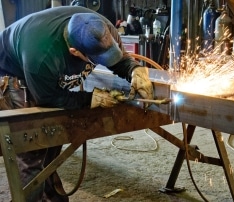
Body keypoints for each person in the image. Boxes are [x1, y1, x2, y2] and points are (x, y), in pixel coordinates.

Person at [0, 5, 153, 202]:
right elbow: (51, 99)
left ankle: (52, 196)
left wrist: (134, 70)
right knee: (32, 146)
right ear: (75, 52)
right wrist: (90, 99)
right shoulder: (41, 57)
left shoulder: (102, 28)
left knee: (52, 141)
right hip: (14, 71)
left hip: (41, 62)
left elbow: (119, 61)